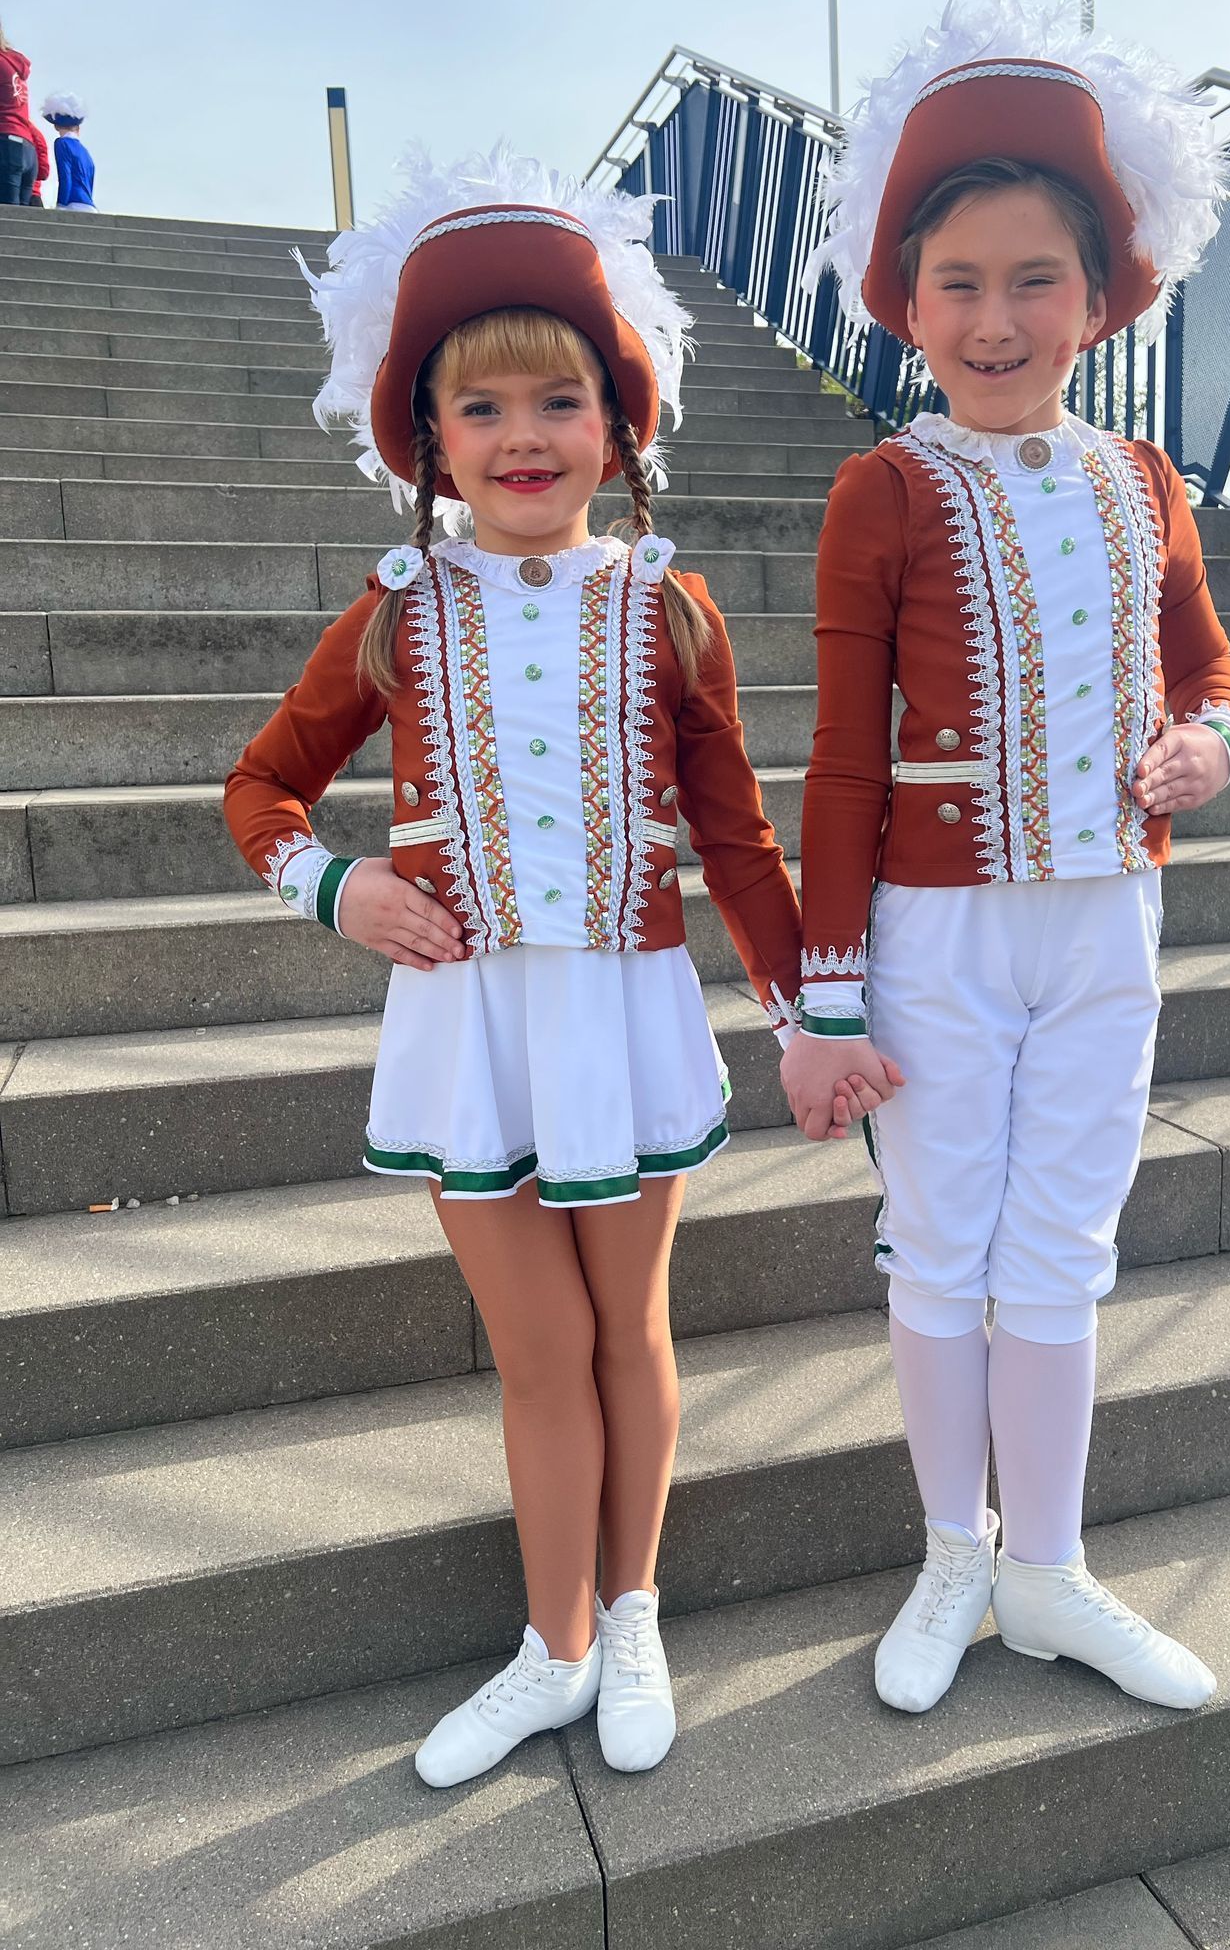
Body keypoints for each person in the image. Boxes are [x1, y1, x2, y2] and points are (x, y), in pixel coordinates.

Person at [225, 146, 808, 1783]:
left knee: (630, 1330)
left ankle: (633, 1611)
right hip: (466, 1029)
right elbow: (259, 789)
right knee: (539, 1349)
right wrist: (334, 888)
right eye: (479, 409)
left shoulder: (671, 608)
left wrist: (812, 1009)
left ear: (619, 425)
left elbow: (739, 839)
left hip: (622, 1017)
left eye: (560, 399)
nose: (523, 436)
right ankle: (552, 1647)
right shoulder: (396, 612)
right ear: (427, 442)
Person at [783, 0, 1230, 1718]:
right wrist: (824, 998)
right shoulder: (882, 490)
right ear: (905, 303)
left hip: (1111, 918)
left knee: (1062, 1246)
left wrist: (1215, 742)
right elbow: (842, 758)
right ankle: (952, 1554)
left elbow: (1211, 668)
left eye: (1034, 279)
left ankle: (1047, 1569)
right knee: (938, 1243)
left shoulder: (1149, 481)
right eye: (959, 284)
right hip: (936, 934)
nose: (995, 319)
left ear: (1102, 296)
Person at [0, 20, 39, 205]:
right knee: (21, 216)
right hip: (27, 147)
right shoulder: (14, 64)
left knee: (6, 214)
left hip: (7, 145)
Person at [41, 93, 95, 209]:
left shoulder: (62, 143)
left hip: (72, 203)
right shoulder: (85, 152)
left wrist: (61, 204)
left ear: (56, 126)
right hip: (89, 205)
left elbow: (65, 176)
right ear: (78, 127)